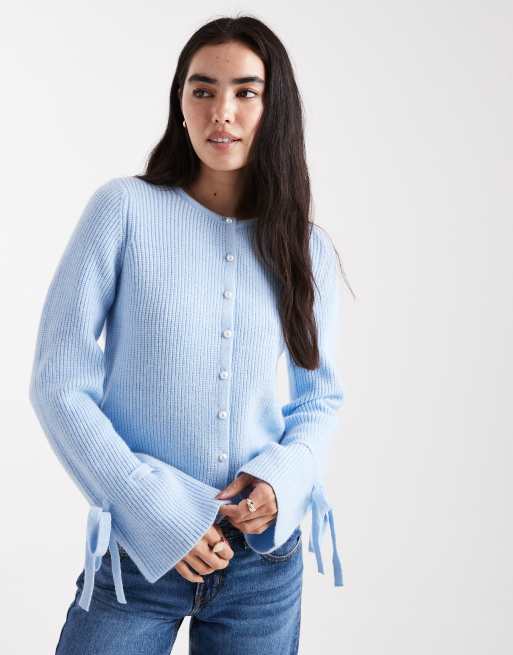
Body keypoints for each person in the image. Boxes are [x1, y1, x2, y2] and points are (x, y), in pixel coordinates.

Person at [29, 14, 349, 655]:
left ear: (274, 109)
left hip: (262, 565)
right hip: (138, 552)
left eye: (245, 92)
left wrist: (280, 481)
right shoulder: (123, 210)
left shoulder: (304, 247)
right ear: (180, 103)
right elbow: (58, 382)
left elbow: (320, 398)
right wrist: (152, 511)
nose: (221, 112)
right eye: (203, 90)